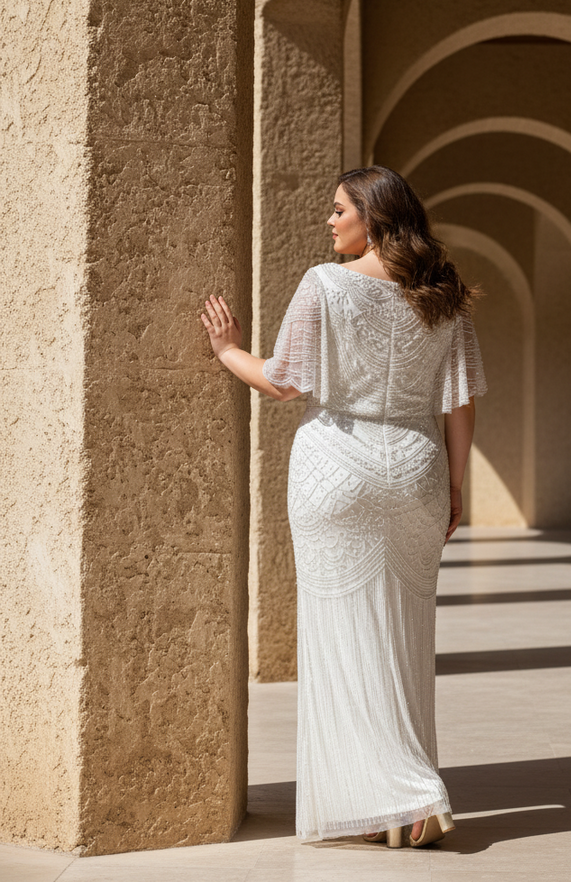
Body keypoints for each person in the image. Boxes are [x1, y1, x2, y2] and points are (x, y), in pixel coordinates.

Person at [201, 165, 487, 848]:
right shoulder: (442, 295)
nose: (329, 221)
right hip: (418, 466)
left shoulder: (324, 285)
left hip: (336, 466)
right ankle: (399, 802)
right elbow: (462, 400)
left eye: (339, 210)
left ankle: (400, 796)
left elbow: (283, 383)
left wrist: (227, 349)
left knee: (342, 637)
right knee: (404, 635)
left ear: (375, 216)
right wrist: (454, 484)